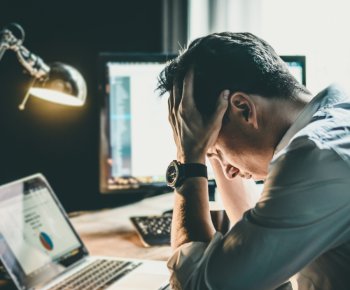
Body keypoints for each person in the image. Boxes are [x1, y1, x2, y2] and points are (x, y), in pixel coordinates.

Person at [157, 32, 350, 290]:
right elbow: (251, 248)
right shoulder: (335, 119)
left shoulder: (315, 158)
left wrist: (189, 158)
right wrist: (213, 147)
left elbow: (198, 285)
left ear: (245, 109)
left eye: (215, 151)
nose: (228, 171)